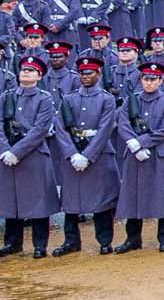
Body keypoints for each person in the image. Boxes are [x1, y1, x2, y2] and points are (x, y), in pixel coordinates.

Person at [56, 53, 124, 254]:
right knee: (71, 201)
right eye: (82, 73)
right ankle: (71, 241)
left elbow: (105, 129)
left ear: (98, 73)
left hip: (98, 155)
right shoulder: (68, 99)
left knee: (101, 201)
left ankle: (104, 241)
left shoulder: (106, 99)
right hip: (73, 153)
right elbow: (61, 129)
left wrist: (88, 155)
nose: (85, 76)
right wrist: (71, 153)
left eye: (90, 73)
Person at [113, 57, 164, 252]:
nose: (149, 83)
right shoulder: (130, 101)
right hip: (134, 153)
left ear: (160, 81)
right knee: (132, 196)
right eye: (146, 79)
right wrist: (133, 144)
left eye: (153, 79)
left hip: (157, 154)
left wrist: (142, 143)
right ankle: (133, 238)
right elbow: (124, 124)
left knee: (162, 196)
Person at [0, 55, 59, 257]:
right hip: (7, 153)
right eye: (24, 69)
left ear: (39, 75)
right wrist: (5, 149)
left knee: (38, 201)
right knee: (11, 200)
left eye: (31, 70)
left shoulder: (44, 98)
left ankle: (39, 244)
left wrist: (17, 152)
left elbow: (40, 129)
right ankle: (12, 243)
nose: (25, 72)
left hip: (33, 155)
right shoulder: (7, 96)